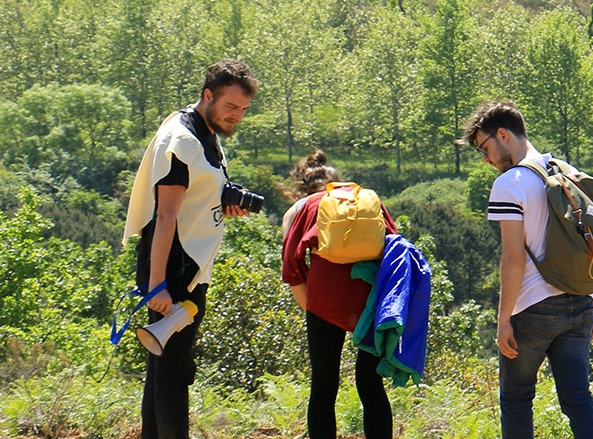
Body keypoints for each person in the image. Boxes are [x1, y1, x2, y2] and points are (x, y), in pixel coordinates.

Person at [120, 58, 259, 438]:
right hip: (174, 267)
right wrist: (157, 284)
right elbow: (165, 217)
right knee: (174, 371)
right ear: (207, 94)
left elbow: (195, 200)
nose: (237, 116)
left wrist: (223, 204)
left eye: (244, 110)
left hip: (192, 266)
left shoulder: (206, 131)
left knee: (162, 365)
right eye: (231, 106)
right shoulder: (181, 140)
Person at [457, 100, 593, 438]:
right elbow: (591, 242)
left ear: (503, 135)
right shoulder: (567, 171)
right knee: (579, 400)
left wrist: (503, 319)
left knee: (516, 398)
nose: (486, 158)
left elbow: (513, 258)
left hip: (532, 309)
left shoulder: (509, 184)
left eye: (484, 147)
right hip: (579, 300)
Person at [277, 150, 398, 439]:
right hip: (369, 294)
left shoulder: (305, 207)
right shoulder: (367, 199)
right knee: (371, 383)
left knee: (324, 384)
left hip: (325, 294)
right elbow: (394, 245)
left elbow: (291, 266)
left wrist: (314, 307)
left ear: (303, 187)